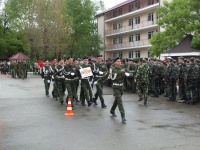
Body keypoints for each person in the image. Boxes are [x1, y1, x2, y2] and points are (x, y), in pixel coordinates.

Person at [106, 57, 130, 124]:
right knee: (119, 101)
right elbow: (116, 73)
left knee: (117, 100)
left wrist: (127, 75)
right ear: (114, 62)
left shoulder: (123, 68)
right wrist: (123, 72)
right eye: (118, 61)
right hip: (115, 87)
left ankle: (112, 110)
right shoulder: (112, 69)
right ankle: (123, 116)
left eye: (120, 61)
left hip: (121, 87)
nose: (119, 62)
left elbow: (130, 73)